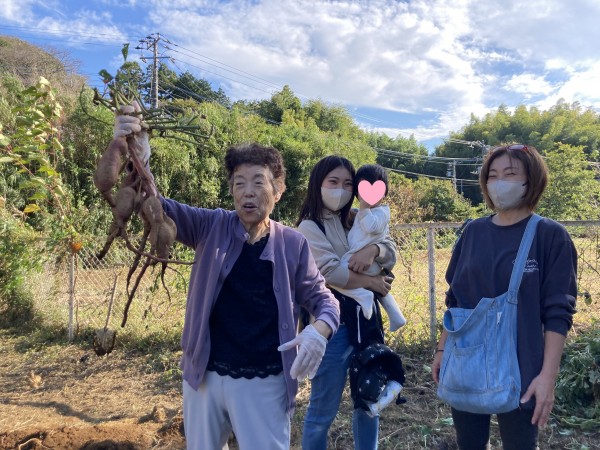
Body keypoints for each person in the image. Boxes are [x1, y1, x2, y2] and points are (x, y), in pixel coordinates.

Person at [113, 107, 340, 450]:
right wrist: (136, 154)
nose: (248, 192)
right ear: (231, 190)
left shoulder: (293, 244)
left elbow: (325, 301)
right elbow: (153, 205)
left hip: (265, 382)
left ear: (278, 190)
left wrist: (318, 332)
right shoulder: (209, 225)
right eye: (239, 183)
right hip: (204, 377)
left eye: (258, 182)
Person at [431, 144, 577, 449]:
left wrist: (547, 377)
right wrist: (443, 350)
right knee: (469, 443)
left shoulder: (550, 235)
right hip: (467, 361)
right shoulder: (472, 232)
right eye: (492, 176)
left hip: (523, 369)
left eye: (510, 174)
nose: (499, 183)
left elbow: (558, 313)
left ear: (531, 180)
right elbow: (456, 300)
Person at [296, 155, 397, 450]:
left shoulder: (355, 217)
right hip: (333, 327)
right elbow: (330, 272)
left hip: (366, 322)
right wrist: (372, 282)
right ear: (318, 184)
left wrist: (374, 250)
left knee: (369, 400)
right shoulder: (309, 227)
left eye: (348, 184)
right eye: (333, 182)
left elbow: (391, 249)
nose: (340, 190)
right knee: (322, 411)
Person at [334, 163, 406, 331]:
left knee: (338, 274)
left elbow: (371, 227)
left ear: (384, 193)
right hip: (362, 261)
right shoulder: (357, 213)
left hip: (367, 263)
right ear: (357, 193)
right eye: (364, 190)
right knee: (381, 289)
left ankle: (364, 296)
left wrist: (364, 209)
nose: (369, 196)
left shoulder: (381, 212)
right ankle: (396, 316)